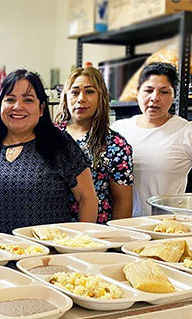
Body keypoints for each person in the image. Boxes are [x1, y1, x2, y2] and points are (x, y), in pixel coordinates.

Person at [0, 69, 98, 234]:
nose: (17, 107)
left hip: (45, 256)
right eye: (10, 99)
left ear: (41, 108)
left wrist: (78, 244)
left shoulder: (59, 144)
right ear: (0, 105)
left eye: (28, 100)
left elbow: (87, 198)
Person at [111, 62, 192, 217]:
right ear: (138, 93)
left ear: (174, 96)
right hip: (119, 224)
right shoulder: (119, 129)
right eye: (148, 90)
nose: (155, 98)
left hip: (163, 227)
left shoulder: (188, 132)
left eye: (164, 92)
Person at [54, 67, 134, 223]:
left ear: (101, 97)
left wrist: (115, 239)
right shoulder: (49, 136)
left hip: (94, 233)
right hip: (49, 229)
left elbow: (123, 201)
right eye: (75, 92)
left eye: (89, 92)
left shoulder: (115, 145)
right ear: (66, 97)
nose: (81, 99)